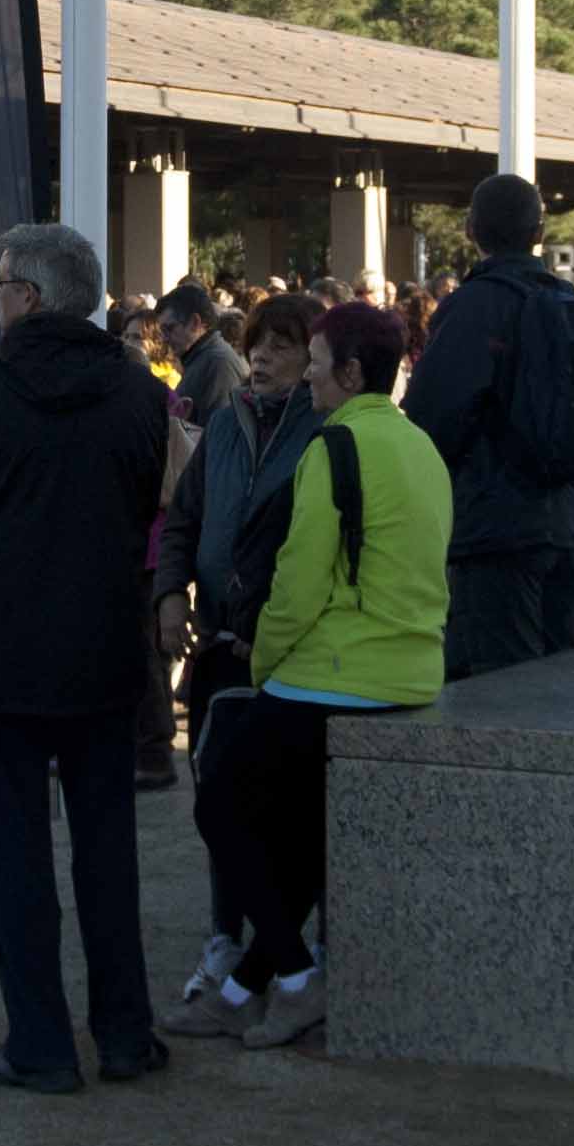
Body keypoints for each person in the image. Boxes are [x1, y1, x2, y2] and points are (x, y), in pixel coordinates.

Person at [0, 221, 173, 1093]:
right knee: (108, 849)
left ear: (28, 295)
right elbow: (148, 495)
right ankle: (126, 1032)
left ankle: (40, 1039)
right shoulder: (138, 393)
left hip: (0, 650)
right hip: (103, 647)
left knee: (17, 854)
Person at [170, 300, 451, 1055]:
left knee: (220, 807)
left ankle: (293, 977)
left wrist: (264, 666)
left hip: (331, 672)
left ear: (352, 372)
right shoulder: (420, 445)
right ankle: (246, 991)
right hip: (410, 673)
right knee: (295, 848)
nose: (310, 378)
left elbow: (298, 584)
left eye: (319, 364)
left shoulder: (335, 446)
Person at [151, 290, 319, 997]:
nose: (263, 355)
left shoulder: (327, 433)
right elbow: (184, 520)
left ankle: (283, 951)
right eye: (257, 341)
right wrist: (169, 593)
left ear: (318, 356)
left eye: (283, 343)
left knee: (278, 806)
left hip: (291, 653)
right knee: (214, 794)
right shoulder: (224, 425)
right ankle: (228, 938)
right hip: (219, 641)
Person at [403, 172, 574, 677]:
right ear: (540, 233)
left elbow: (432, 417)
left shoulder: (475, 306)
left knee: (498, 686)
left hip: (496, 524)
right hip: (572, 519)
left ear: (470, 230)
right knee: (560, 678)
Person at [159, 282, 247, 428]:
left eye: (169, 328)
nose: (164, 338)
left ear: (195, 323)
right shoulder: (202, 358)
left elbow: (217, 435)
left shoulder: (219, 363)